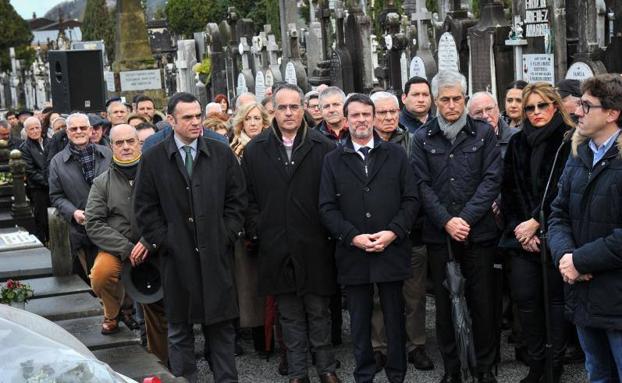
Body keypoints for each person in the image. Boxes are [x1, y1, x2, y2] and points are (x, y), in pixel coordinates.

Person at [134, 92, 246, 382]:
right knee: (180, 330)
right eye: (188, 117)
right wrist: (166, 241)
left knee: (221, 329)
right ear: (170, 120)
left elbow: (237, 200)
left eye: (198, 116)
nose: (196, 122)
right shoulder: (153, 158)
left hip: (216, 256)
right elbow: (145, 209)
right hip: (176, 258)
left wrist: (225, 234)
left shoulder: (220, 153)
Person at [242, 83, 340, 383]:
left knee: (318, 310)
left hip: (314, 244)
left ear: (304, 110)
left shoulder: (324, 147)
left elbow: (335, 195)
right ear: (273, 110)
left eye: (294, 107)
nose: (288, 113)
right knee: (289, 314)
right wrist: (259, 228)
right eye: (282, 107)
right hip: (275, 244)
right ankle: (298, 372)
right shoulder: (256, 150)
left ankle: (326, 368)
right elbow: (247, 198)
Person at [319, 93, 418, 383]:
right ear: (346, 121)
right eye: (355, 116)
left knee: (394, 318)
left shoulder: (396, 155)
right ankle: (363, 375)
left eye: (366, 115)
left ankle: (397, 374)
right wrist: (352, 237)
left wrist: (392, 232)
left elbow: (411, 199)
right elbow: (326, 207)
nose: (361, 120)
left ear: (373, 118)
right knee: (359, 322)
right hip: (353, 253)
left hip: (391, 249)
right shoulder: (333, 160)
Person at [411, 71, 502, 383]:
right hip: (440, 234)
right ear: (436, 102)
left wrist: (465, 218)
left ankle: (485, 367)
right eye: (445, 99)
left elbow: (492, 179)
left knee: (483, 303)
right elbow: (421, 185)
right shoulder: (422, 138)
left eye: (457, 99)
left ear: (465, 99)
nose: (451, 105)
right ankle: (452, 369)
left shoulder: (483, 134)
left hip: (479, 233)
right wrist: (447, 221)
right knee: (447, 304)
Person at [549, 73, 622, 383]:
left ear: (612, 113)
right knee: (598, 374)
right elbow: (557, 213)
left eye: (586, 105)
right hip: (583, 293)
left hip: (616, 298)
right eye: (579, 103)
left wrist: (580, 261)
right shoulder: (578, 154)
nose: (577, 111)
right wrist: (565, 256)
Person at [501, 82, 574, 383]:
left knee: (555, 301)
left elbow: (564, 191)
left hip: (555, 236)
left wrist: (538, 223)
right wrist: (524, 230)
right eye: (530, 108)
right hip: (522, 239)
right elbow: (509, 191)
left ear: (555, 106)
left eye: (542, 105)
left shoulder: (568, 142)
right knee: (526, 301)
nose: (535, 112)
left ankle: (554, 364)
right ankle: (536, 363)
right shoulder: (517, 143)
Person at [85, 124, 168, 362]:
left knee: (154, 305)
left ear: (138, 143)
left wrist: (148, 242)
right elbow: (94, 222)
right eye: (119, 143)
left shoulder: (157, 175)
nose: (126, 147)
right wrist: (127, 248)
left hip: (153, 247)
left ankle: (160, 362)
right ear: (111, 147)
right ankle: (113, 311)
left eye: (130, 141)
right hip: (118, 249)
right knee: (100, 274)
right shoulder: (102, 182)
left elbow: (168, 212)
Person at [368, 91, 433, 371]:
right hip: (373, 235)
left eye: (392, 112)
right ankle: (379, 347)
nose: (388, 117)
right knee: (376, 297)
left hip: (410, 232)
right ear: (371, 116)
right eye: (381, 113)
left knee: (414, 295)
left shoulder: (413, 142)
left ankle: (415, 345)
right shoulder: (363, 145)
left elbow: (419, 186)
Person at [48, 113, 113, 280]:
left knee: (109, 278)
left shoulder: (107, 154)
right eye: (73, 129)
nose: (78, 131)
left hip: (110, 226)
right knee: (88, 279)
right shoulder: (57, 162)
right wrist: (73, 212)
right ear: (68, 133)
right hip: (79, 231)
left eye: (83, 128)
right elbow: (56, 195)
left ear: (90, 130)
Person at [20, 117, 49, 244]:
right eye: (31, 129)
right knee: (42, 219)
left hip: (55, 186)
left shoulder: (50, 142)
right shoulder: (24, 148)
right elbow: (30, 171)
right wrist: (48, 182)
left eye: (37, 127)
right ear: (26, 131)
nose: (35, 131)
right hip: (38, 189)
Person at [468, 91, 519, 159]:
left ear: (497, 109)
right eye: (478, 112)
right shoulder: (464, 142)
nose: (485, 116)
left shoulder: (518, 137)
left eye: (489, 109)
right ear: (470, 117)